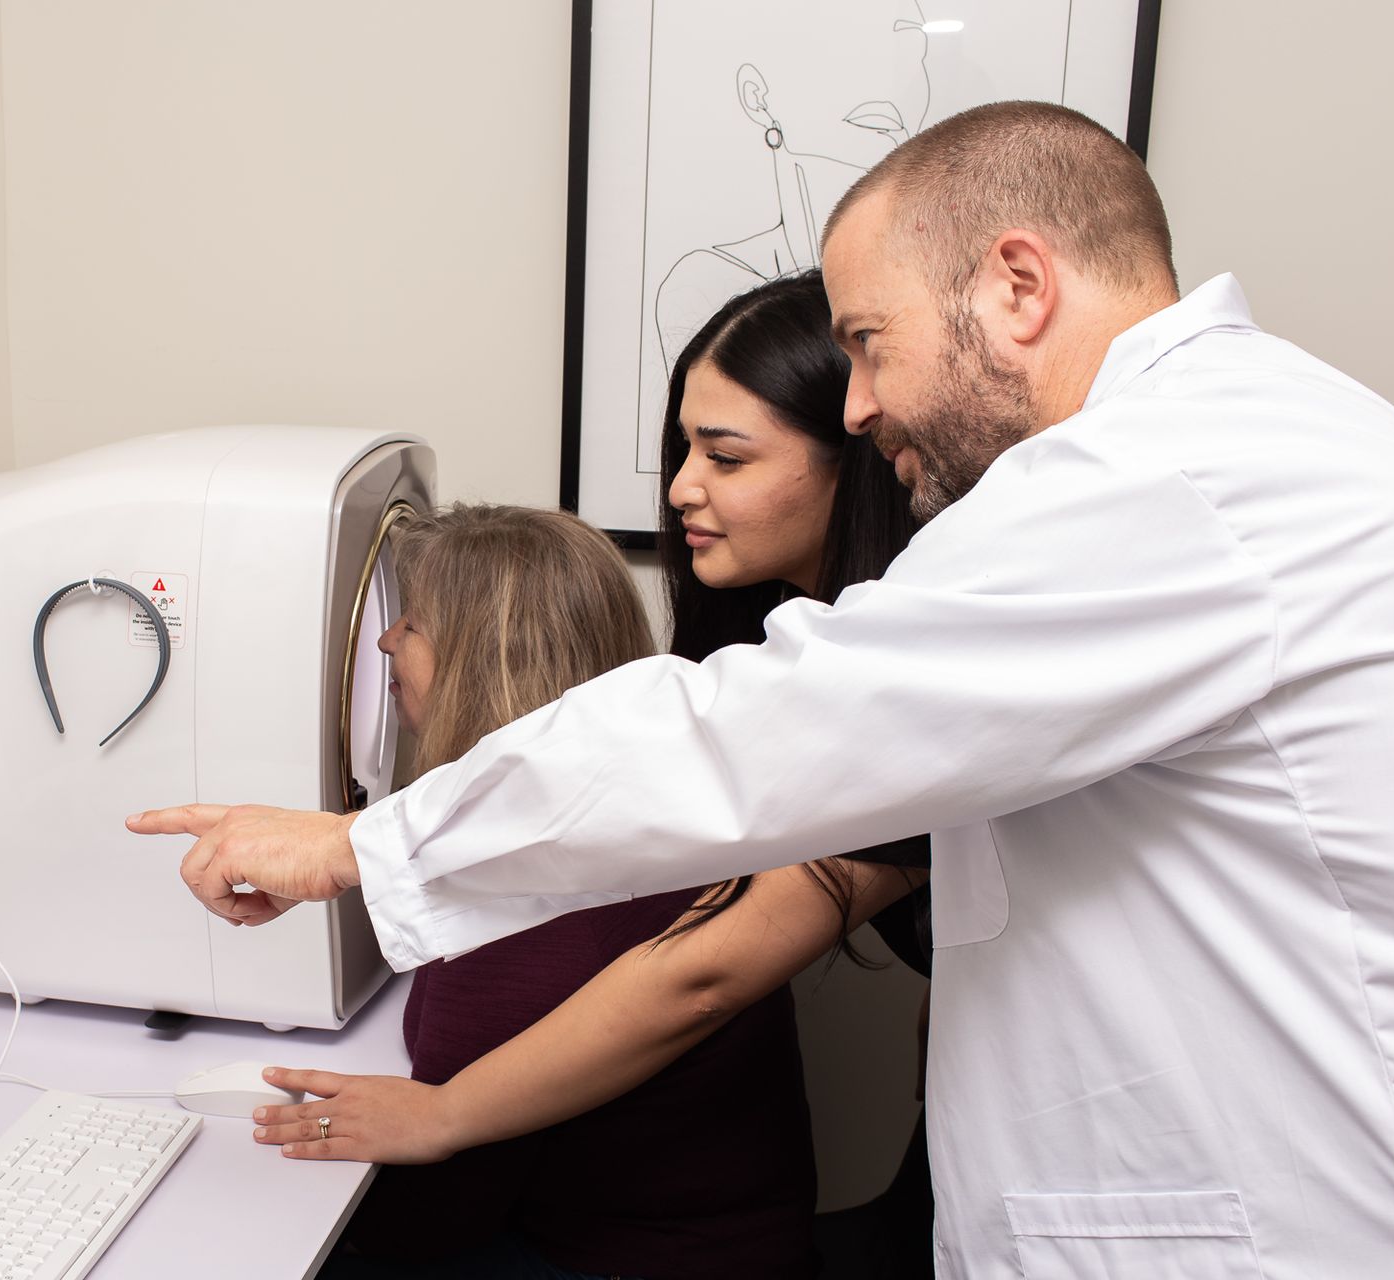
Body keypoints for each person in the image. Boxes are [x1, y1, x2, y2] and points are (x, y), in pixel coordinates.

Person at [132, 101, 1394, 1277]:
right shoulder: (1250, 451)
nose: (856, 405)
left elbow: (762, 734)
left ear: (1018, 288)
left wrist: (361, 845)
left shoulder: (1175, 483)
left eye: (871, 339)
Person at [232, 272, 937, 1275]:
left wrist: (437, 1111)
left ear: (854, 465)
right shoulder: (786, 665)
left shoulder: (914, 672)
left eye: (726, 455)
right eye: (682, 450)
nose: (683, 487)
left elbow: (702, 968)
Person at [304, 502, 821, 1280]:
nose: (385, 641)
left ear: (477, 663)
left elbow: (432, 1218)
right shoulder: (668, 810)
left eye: (410, 624)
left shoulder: (518, 891)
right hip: (743, 1238)